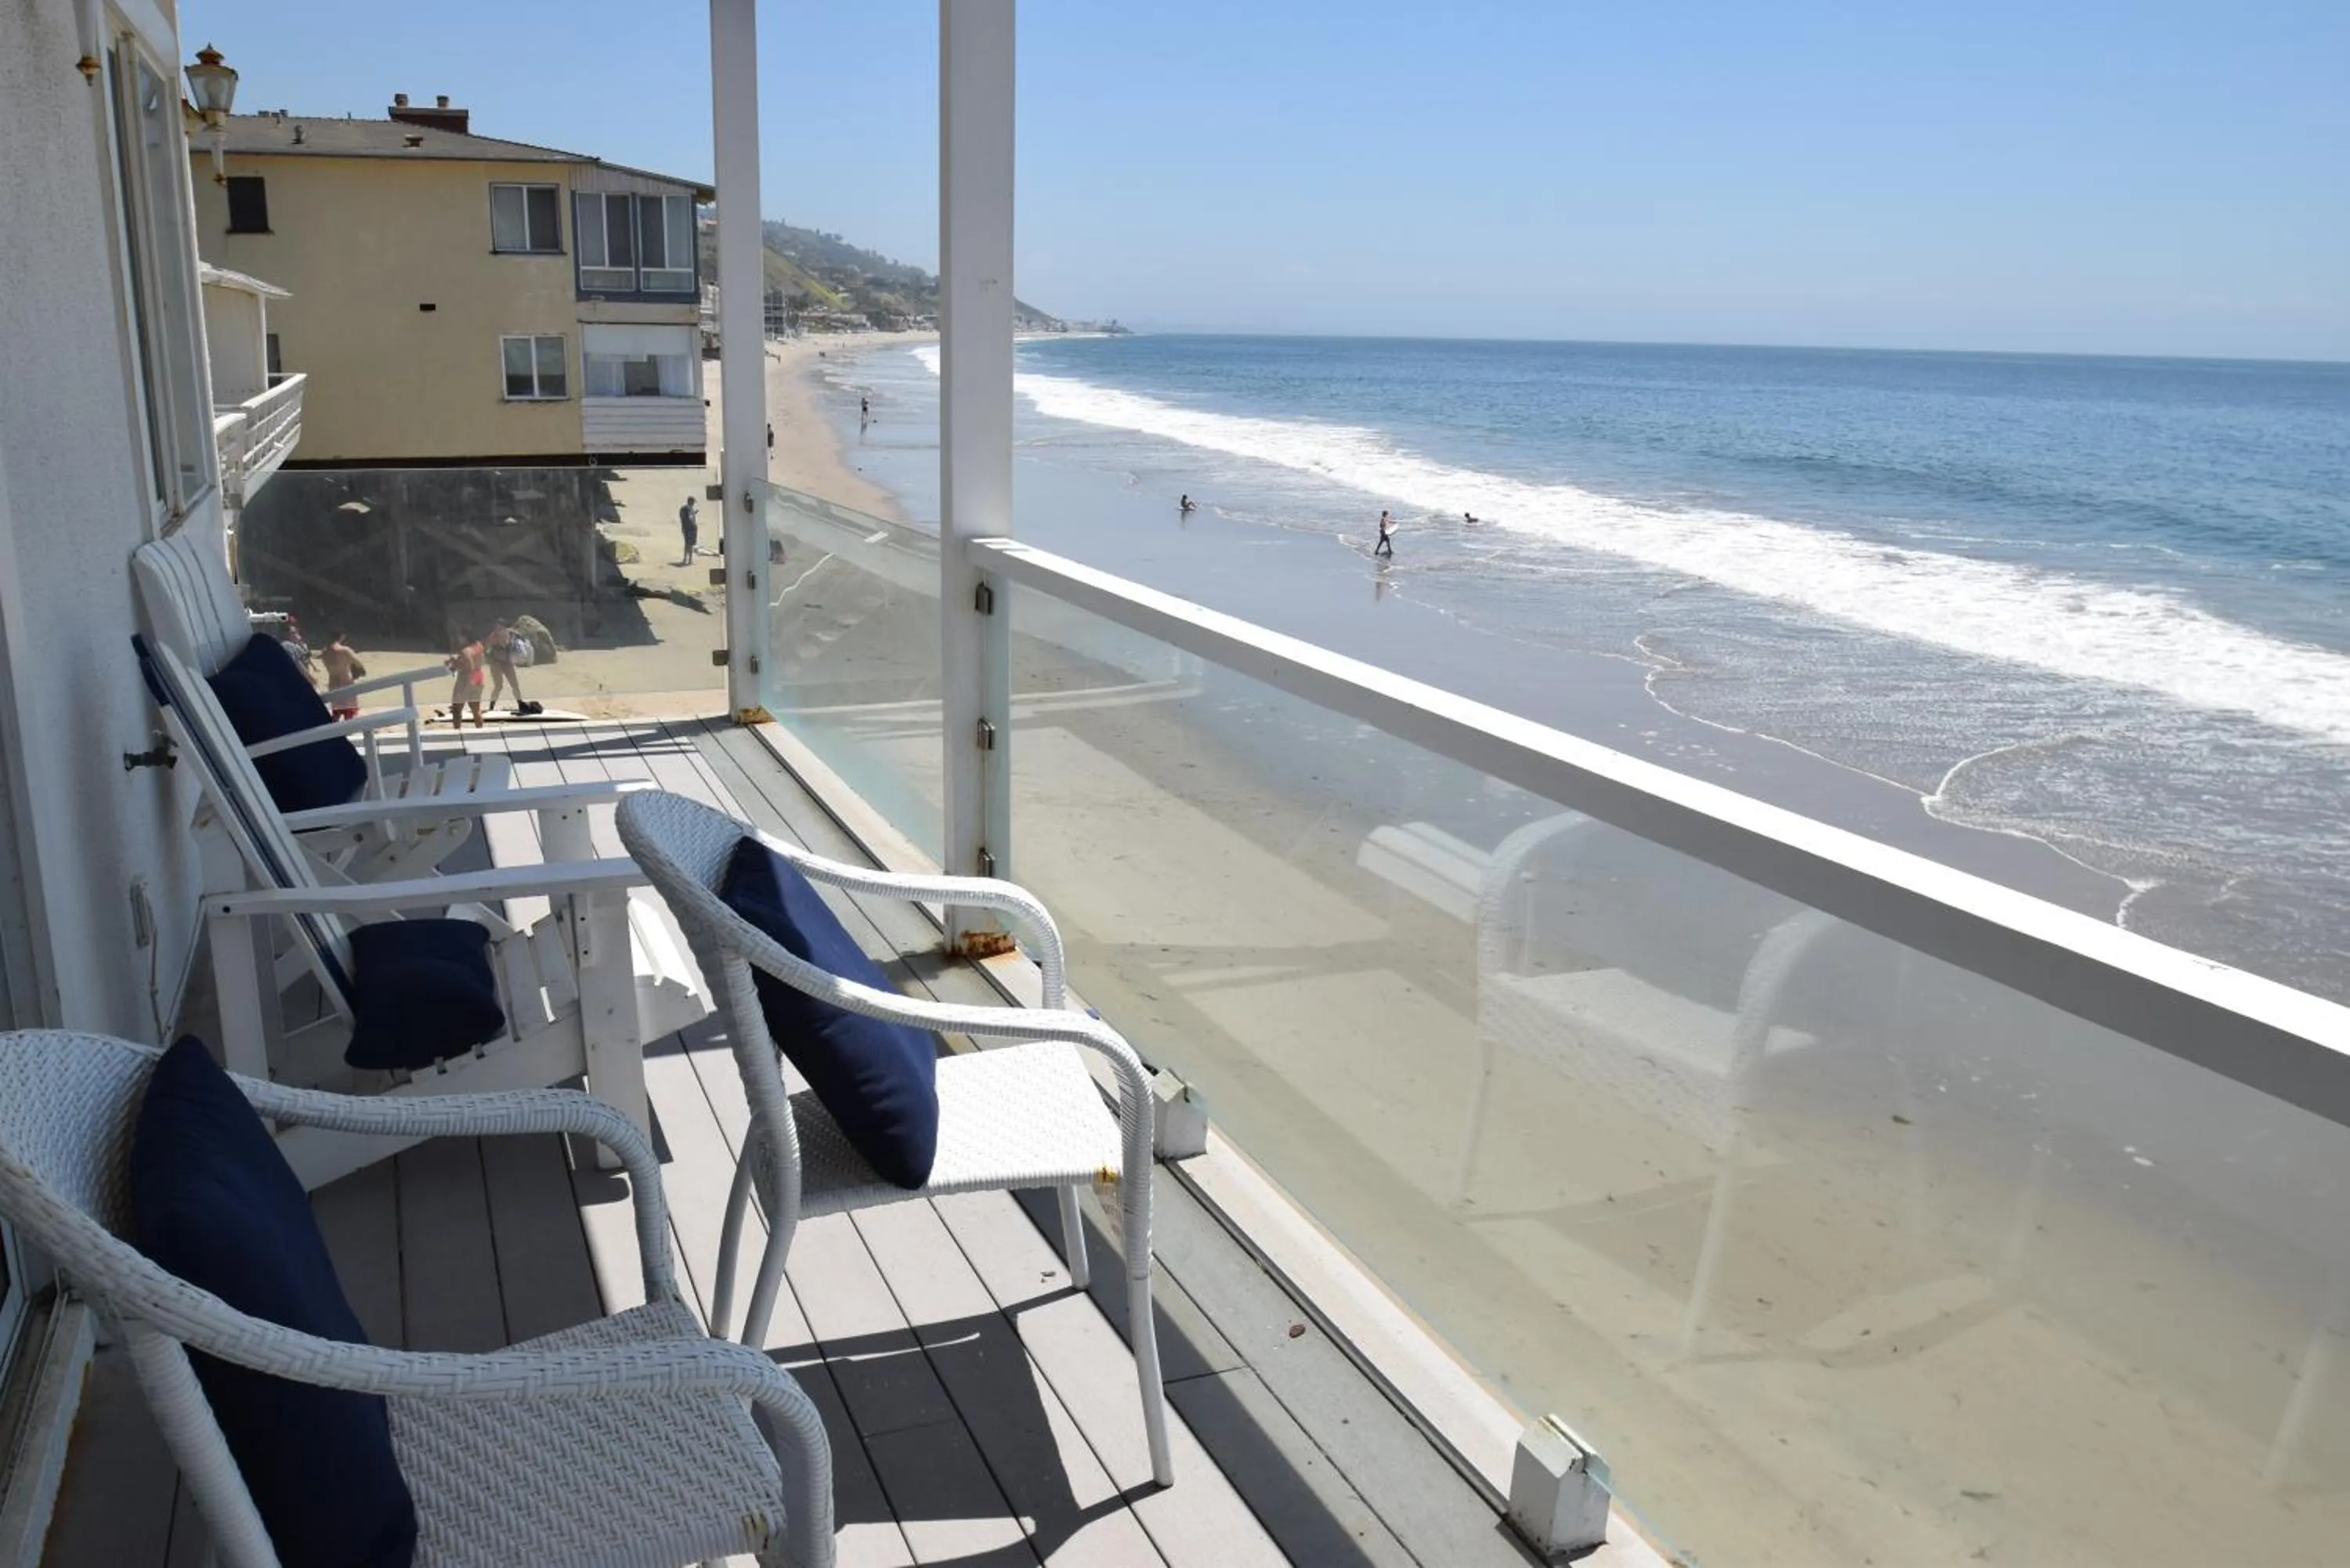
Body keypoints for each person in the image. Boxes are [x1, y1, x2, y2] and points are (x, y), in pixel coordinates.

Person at [320, 631, 367, 721]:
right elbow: (359, 664)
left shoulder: (324, 652)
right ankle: (347, 732)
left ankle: (333, 732)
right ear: (342, 637)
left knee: (336, 713)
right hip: (346, 682)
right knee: (349, 712)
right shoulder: (345, 650)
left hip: (333, 683)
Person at [484, 621, 528, 713]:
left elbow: (521, 638)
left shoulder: (510, 633)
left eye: (501, 627)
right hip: (496, 663)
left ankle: (520, 703)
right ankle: (491, 706)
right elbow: (487, 648)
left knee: (515, 684)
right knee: (498, 686)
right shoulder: (494, 636)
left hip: (507, 662)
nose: (499, 629)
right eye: (498, 627)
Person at [445, 632, 486, 728]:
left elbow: (469, 667)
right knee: (476, 709)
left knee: (456, 710)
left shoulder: (465, 651)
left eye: (460, 636)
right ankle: (480, 730)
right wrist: (458, 659)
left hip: (466, 681)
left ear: (465, 638)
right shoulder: (478, 646)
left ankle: (457, 732)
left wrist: (454, 664)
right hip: (478, 678)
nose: (459, 639)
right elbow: (474, 662)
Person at [678, 494, 700, 565]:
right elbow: (690, 519)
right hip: (690, 529)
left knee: (686, 544)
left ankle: (685, 559)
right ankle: (690, 560)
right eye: (693, 503)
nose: (693, 504)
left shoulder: (683, 509)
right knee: (690, 545)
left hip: (684, 528)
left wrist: (694, 513)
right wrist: (694, 526)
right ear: (691, 502)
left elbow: (684, 518)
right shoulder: (690, 509)